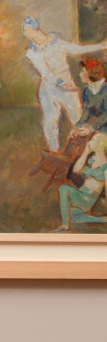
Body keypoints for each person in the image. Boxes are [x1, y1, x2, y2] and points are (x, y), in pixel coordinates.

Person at [23, 15, 107, 151]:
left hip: (68, 88)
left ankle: (83, 150)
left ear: (35, 29)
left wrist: (102, 45)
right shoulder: (31, 52)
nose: (24, 33)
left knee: (77, 117)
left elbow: (78, 49)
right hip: (49, 89)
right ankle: (54, 151)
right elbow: (45, 73)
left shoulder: (57, 43)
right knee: (51, 121)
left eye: (26, 30)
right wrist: (61, 82)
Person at [54, 133, 107, 231]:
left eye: (92, 140)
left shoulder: (105, 166)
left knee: (63, 189)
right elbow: (76, 170)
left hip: (88, 198)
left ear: (100, 144)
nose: (89, 142)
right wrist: (85, 152)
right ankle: (103, 219)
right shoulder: (92, 159)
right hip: (82, 193)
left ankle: (65, 225)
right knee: (73, 216)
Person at [73, 57, 107, 137]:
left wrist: (91, 128)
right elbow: (86, 111)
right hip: (98, 129)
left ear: (91, 73)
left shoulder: (105, 89)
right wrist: (76, 127)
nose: (80, 74)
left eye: (83, 71)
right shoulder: (87, 91)